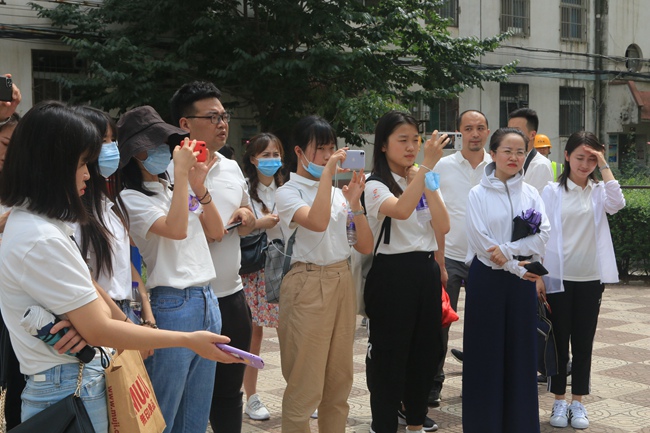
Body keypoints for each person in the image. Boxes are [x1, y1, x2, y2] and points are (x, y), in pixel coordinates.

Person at [0, 101, 238, 433]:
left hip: (81, 370)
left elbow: (94, 283)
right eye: (81, 163)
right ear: (52, 165)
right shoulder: (42, 236)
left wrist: (116, 320)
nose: (88, 172)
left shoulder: (51, 223)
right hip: (70, 382)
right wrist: (185, 339)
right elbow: (97, 323)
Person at [117, 105, 230, 433]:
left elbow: (217, 231)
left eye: (167, 143)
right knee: (162, 414)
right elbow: (177, 229)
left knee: (195, 414)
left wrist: (199, 188)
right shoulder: (130, 198)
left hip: (207, 298)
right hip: (172, 303)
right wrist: (182, 178)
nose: (166, 151)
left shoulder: (173, 188)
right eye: (156, 144)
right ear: (136, 154)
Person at [275, 115, 373, 432]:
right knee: (305, 384)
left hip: (341, 278)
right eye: (321, 149)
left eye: (332, 148)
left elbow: (364, 245)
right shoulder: (288, 191)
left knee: (339, 384)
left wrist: (355, 204)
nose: (329, 155)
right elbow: (316, 223)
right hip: (307, 281)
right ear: (299, 152)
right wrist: (328, 174)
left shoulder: (336, 193)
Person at [170, 81, 256, 433]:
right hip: (185, 301)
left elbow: (248, 213)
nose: (222, 124)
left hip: (231, 295)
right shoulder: (169, 171)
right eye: (212, 117)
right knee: (181, 397)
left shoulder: (231, 167)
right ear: (185, 124)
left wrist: (247, 216)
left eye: (224, 116)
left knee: (228, 393)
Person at [364, 111, 449, 433]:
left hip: (425, 271)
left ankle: (415, 423)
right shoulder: (374, 184)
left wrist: (426, 180)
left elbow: (443, 225)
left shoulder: (422, 175)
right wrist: (425, 170)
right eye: (403, 140)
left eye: (415, 139)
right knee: (389, 357)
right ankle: (383, 425)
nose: (412, 147)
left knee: (425, 354)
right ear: (384, 145)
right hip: (392, 274)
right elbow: (400, 210)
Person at [463, 127, 550, 433]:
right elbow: (480, 243)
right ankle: (483, 425)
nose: (514, 157)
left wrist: (508, 252)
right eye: (507, 151)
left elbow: (543, 235)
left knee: (521, 353)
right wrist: (514, 266)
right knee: (485, 353)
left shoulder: (531, 193)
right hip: (487, 281)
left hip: (522, 283)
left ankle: (520, 425)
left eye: (520, 152)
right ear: (493, 154)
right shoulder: (477, 194)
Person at [540, 131, 625, 429]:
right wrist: (539, 276)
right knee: (558, 341)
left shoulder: (599, 191)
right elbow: (540, 234)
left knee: (583, 342)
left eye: (591, 159)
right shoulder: (551, 191)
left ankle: (578, 402)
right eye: (580, 157)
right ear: (566, 156)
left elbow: (618, 203)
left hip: (591, 279)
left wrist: (604, 164)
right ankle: (559, 401)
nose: (585, 164)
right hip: (558, 279)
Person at [429, 109, 491, 401]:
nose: (474, 134)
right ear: (459, 133)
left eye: (480, 128)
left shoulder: (497, 166)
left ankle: (479, 382)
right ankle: (433, 383)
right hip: (450, 256)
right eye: (468, 128)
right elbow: (432, 212)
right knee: (440, 322)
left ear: (488, 131)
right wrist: (438, 258)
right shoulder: (443, 166)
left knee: (482, 323)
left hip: (486, 258)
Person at [72, 106, 154, 327]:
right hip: (101, 315)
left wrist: (145, 315)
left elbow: (126, 271)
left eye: (113, 140)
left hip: (126, 312)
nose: (111, 148)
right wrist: (125, 321)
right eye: (103, 141)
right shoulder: (73, 212)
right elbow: (86, 279)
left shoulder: (110, 205)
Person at [240, 133, 285, 421]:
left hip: (284, 265)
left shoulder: (288, 188)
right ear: (253, 159)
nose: (271, 160)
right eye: (265, 155)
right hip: (254, 268)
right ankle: (251, 397)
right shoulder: (244, 189)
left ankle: (300, 392)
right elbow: (235, 227)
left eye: (275, 154)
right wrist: (260, 223)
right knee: (253, 334)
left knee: (288, 332)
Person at [508, 108, 553, 194]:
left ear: (532, 135)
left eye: (517, 131)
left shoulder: (540, 165)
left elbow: (535, 201)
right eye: (508, 130)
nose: (511, 135)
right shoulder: (508, 160)